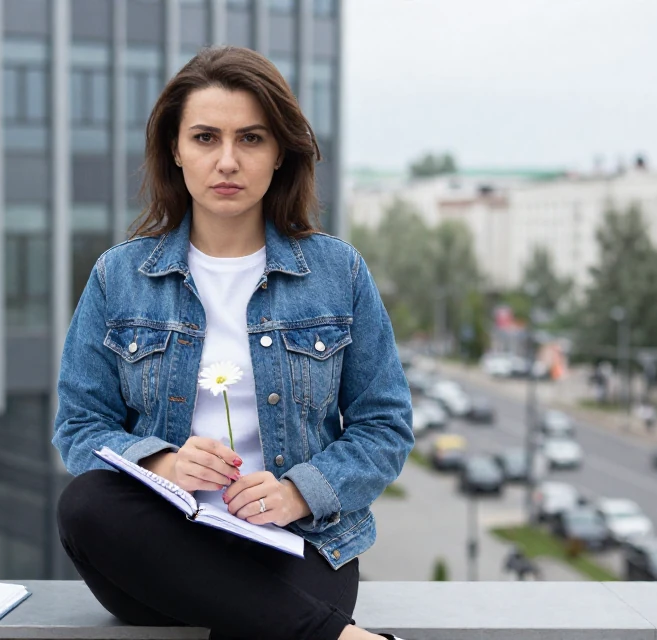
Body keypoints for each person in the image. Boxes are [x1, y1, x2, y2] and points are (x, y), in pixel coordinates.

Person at [52, 47, 413, 640]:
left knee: (257, 614)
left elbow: (385, 425)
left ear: (279, 154)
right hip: (166, 549)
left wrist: (299, 493)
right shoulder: (118, 277)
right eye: (204, 138)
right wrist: (164, 466)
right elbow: (79, 427)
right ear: (175, 149)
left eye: (250, 139)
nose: (226, 161)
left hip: (296, 547)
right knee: (85, 505)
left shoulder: (337, 271)